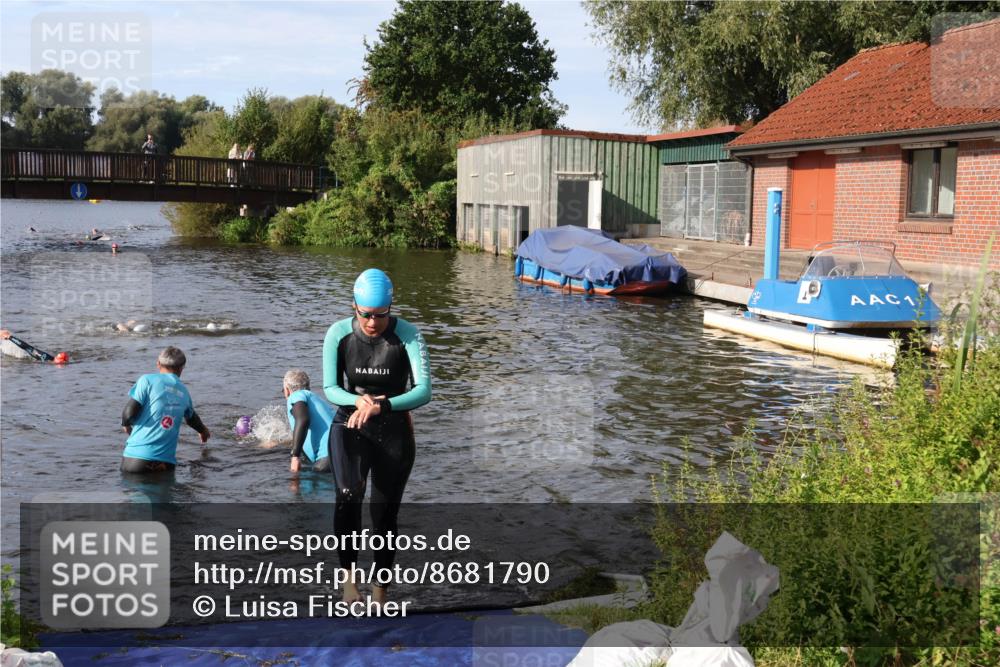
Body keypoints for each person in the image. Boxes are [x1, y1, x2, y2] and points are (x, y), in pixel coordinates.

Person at [323, 268, 431, 606]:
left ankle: (380, 591)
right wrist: (358, 400)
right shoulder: (338, 334)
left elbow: (424, 391)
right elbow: (330, 388)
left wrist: (382, 406)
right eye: (365, 314)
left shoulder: (409, 336)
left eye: (380, 315)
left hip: (393, 428)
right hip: (349, 424)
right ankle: (349, 581)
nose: (372, 322)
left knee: (384, 513)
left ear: (390, 307)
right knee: (347, 493)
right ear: (354, 306)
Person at [121, 346, 210, 473]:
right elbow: (192, 418)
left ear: (158, 363)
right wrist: (203, 431)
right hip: (162, 463)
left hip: (131, 461)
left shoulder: (147, 380)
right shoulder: (184, 391)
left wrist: (126, 425)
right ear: (182, 368)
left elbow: (128, 414)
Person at [283, 369, 334, 473]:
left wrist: (295, 456)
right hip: (344, 453)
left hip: (327, 458)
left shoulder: (296, 396)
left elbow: (303, 419)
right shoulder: (319, 401)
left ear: (287, 390)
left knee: (296, 485)